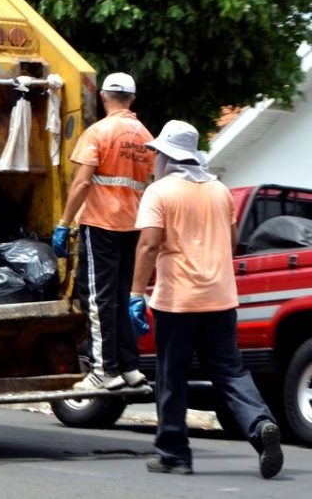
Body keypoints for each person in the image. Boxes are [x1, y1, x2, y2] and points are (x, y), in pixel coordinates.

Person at [131, 120, 284, 478]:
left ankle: (174, 455)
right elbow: (231, 244)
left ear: (167, 156)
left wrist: (136, 293)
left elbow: (149, 244)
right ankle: (261, 426)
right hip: (221, 298)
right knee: (230, 371)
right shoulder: (221, 191)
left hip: (178, 301)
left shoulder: (160, 192)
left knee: (171, 375)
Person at [52, 72, 154, 390]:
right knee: (123, 297)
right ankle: (129, 368)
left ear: (103, 96)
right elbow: (150, 184)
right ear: (133, 99)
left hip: (101, 225)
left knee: (97, 298)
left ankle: (103, 371)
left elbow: (83, 181)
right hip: (134, 226)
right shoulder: (146, 137)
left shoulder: (98, 132)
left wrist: (64, 223)